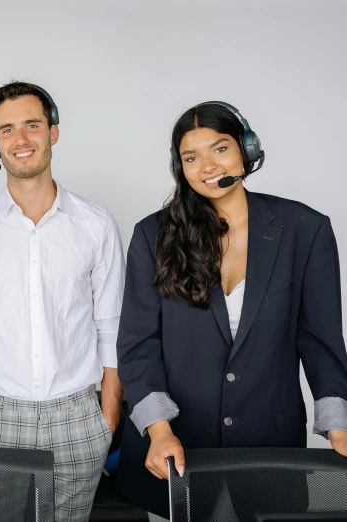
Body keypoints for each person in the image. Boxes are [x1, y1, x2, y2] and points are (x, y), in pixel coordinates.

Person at [115, 102, 347, 521]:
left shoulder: (304, 229)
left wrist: (338, 422)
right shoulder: (154, 235)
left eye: (219, 149)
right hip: (175, 446)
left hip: (268, 447)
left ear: (246, 150)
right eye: (191, 157)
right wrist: (159, 430)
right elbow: (138, 344)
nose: (206, 166)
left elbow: (320, 339)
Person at [0, 81, 125, 521]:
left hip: (77, 416)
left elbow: (113, 327)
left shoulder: (96, 225)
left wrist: (107, 419)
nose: (20, 140)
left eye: (32, 125)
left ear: (53, 132)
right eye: (6, 129)